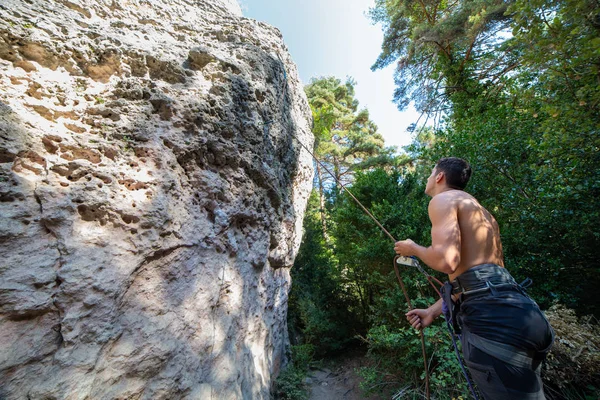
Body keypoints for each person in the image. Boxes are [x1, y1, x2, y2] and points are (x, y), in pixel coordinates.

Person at [394, 157, 554, 400]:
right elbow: (481, 279)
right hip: (526, 317)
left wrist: (413, 248)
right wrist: (433, 311)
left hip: (494, 325)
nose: (427, 178)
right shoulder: (484, 215)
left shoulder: (443, 199)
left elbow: (447, 262)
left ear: (439, 177)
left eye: (430, 173)